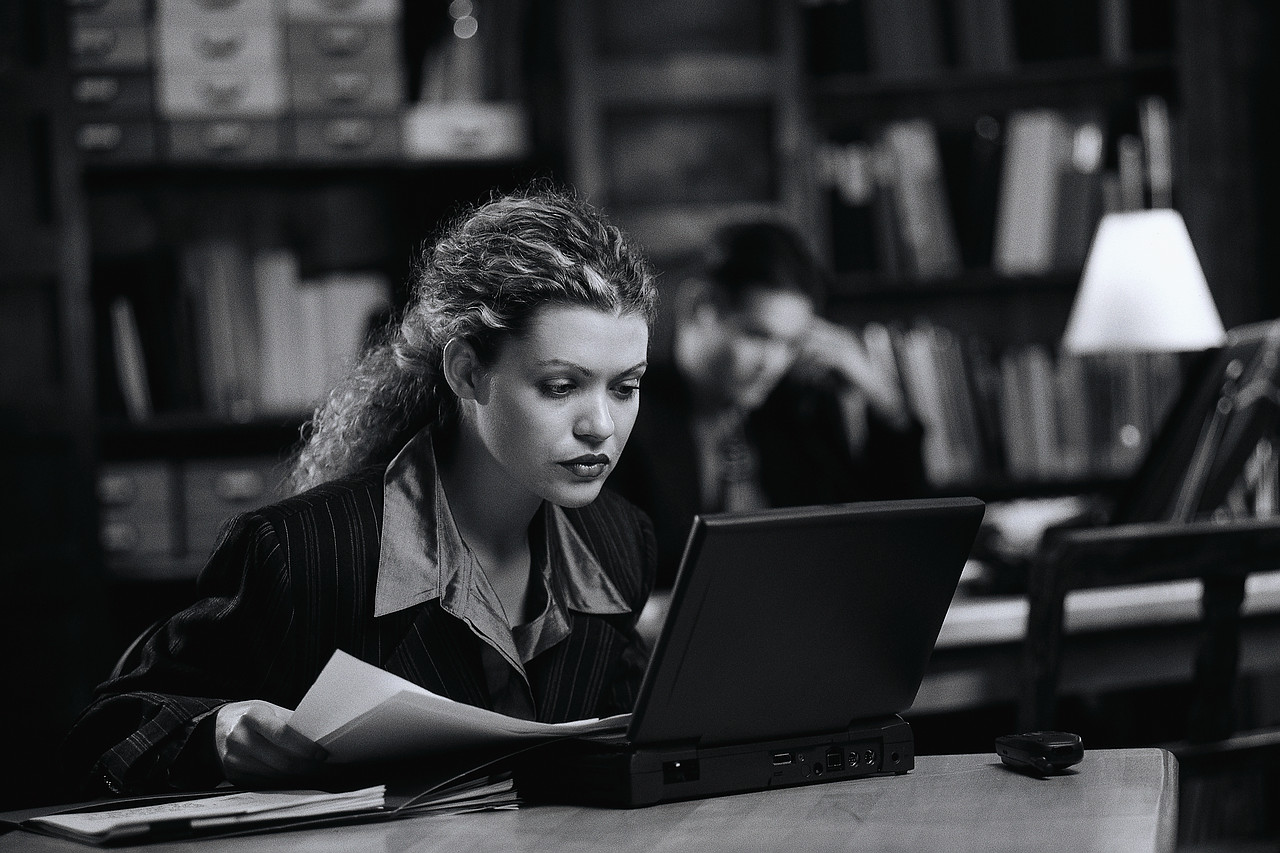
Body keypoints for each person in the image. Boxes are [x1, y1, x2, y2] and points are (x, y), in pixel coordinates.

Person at [61, 186, 659, 795]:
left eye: (625, 387)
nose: (601, 427)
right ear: (467, 372)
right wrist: (217, 730)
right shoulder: (300, 554)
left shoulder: (619, 540)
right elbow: (104, 735)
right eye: (560, 386)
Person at [607, 220, 926, 587]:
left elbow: (888, 537)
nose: (773, 364)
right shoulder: (627, 414)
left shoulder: (798, 416)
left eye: (792, 344)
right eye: (757, 335)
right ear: (700, 307)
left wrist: (882, 396)